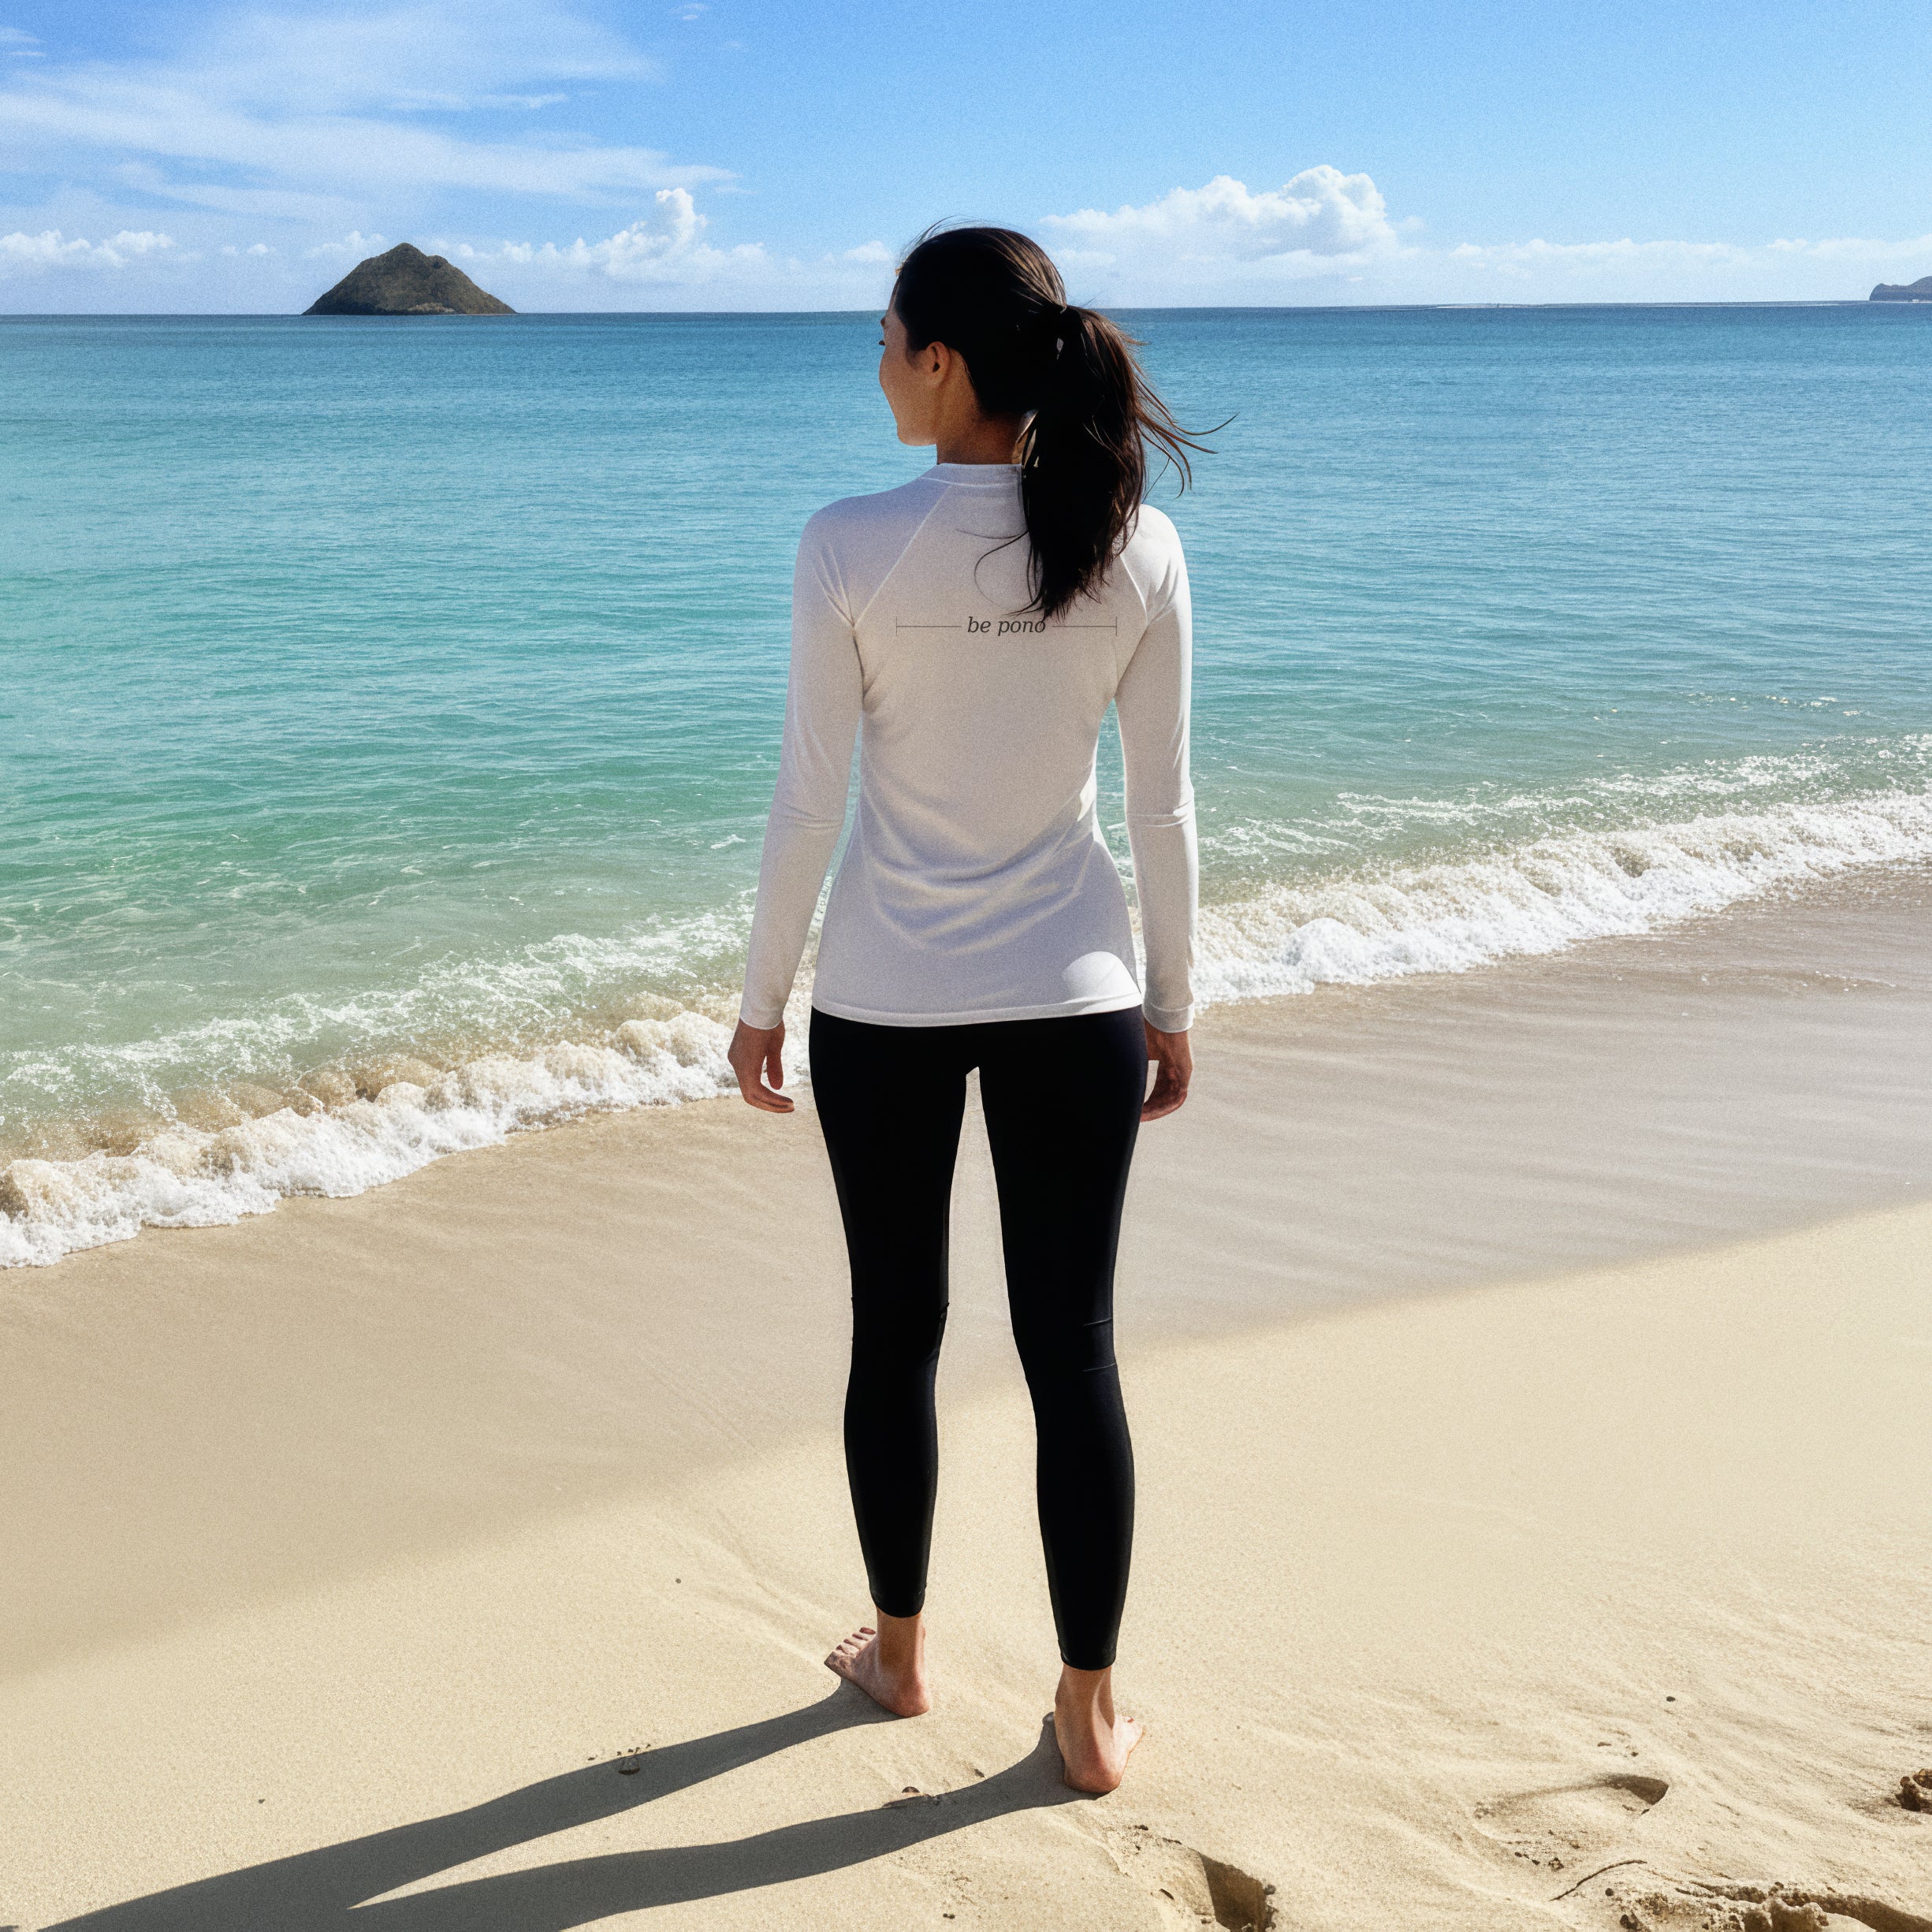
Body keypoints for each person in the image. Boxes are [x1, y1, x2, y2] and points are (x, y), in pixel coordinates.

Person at [728, 225, 1201, 1796]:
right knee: (1073, 1350)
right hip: (1076, 994)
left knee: (895, 1331)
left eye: (883, 341)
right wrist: (1172, 1005)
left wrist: (758, 998)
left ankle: (901, 1652)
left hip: (883, 999)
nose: (873, 366)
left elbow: (807, 802)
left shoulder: (846, 543)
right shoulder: (1131, 546)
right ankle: (1084, 1712)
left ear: (942, 362)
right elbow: (1163, 811)